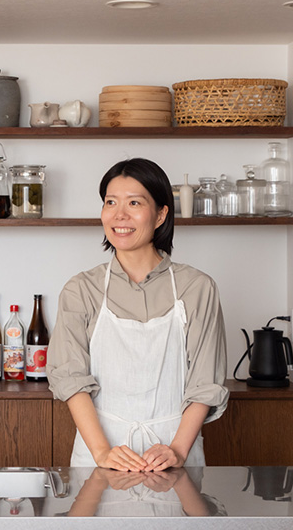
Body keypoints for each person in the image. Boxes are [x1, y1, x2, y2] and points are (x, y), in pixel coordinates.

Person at [47, 158, 228, 471]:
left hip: (173, 456)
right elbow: (70, 380)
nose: (119, 215)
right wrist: (103, 453)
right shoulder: (81, 289)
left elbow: (205, 382)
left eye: (134, 203)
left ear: (160, 214)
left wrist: (178, 452)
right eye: (110, 202)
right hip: (99, 455)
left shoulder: (197, 287)